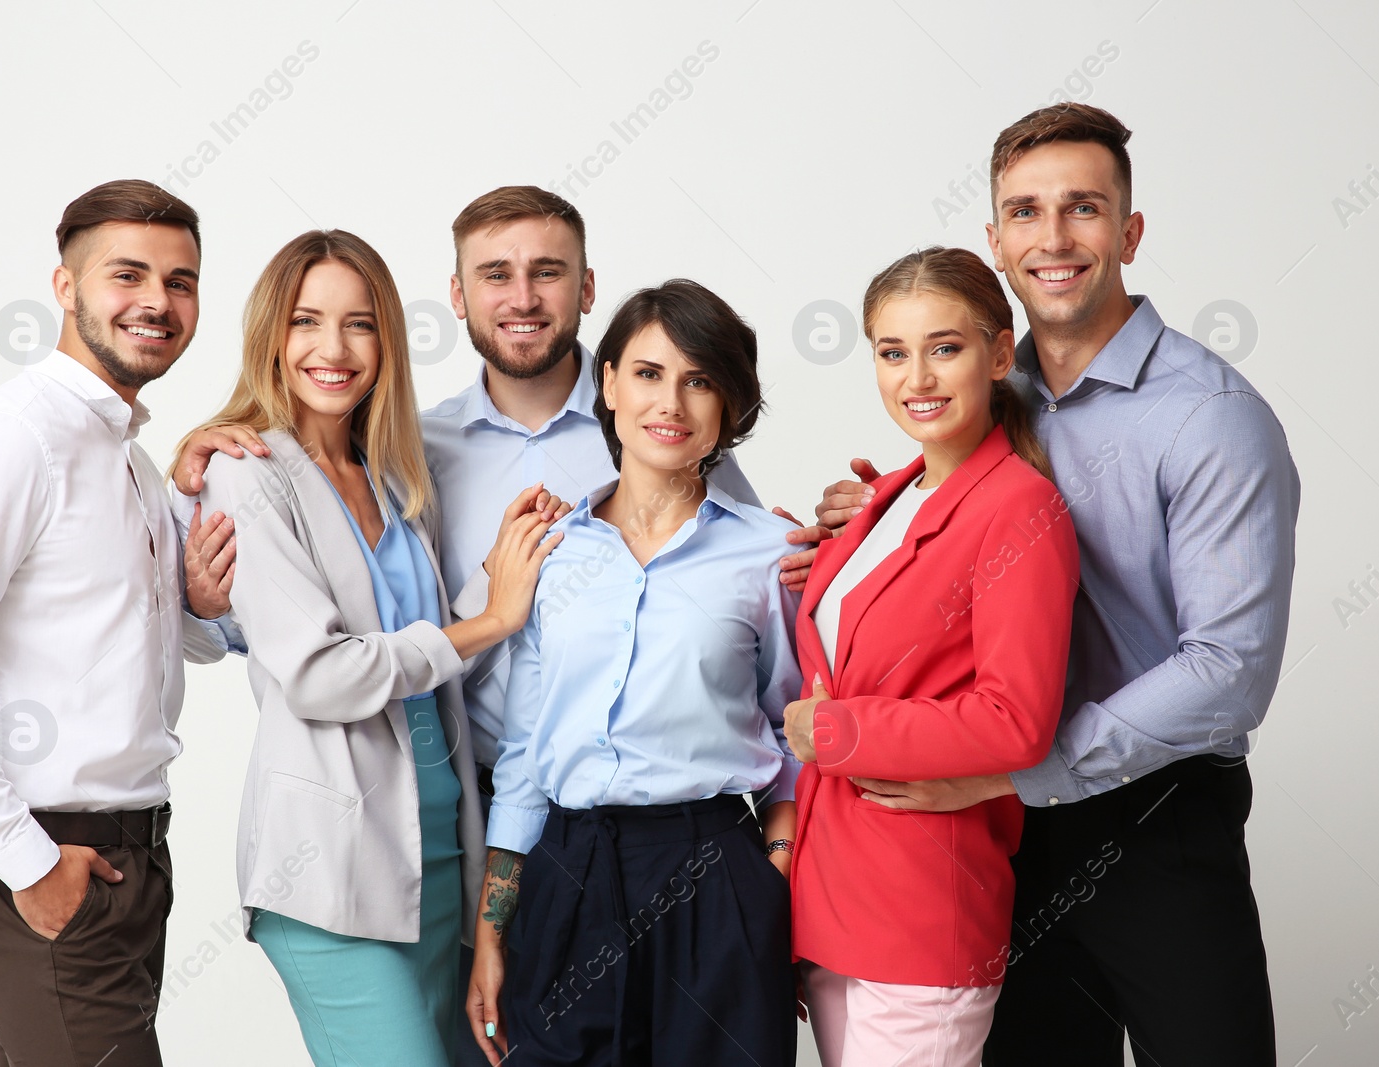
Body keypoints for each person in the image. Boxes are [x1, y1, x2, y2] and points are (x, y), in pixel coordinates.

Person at [170, 187, 815, 1064]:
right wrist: (208, 583)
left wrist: (856, 528)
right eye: (496, 274)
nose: (521, 297)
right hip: (487, 820)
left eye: (547, 272)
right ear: (459, 293)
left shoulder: (659, 428)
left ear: (587, 290)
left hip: (516, 834)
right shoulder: (415, 450)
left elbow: (767, 624)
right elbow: (296, 642)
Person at [804, 104, 1300, 1066]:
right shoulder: (980, 390)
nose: (1054, 237)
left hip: (1154, 816)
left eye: (1083, 208)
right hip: (1000, 829)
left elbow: (1230, 667)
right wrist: (865, 523)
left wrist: (1027, 768)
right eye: (1026, 212)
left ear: (1130, 231)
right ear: (995, 240)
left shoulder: (1210, 418)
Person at [174, 229, 565, 1067]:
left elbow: (413, 642)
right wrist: (488, 619)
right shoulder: (247, 473)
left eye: (360, 324)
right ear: (271, 336)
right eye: (307, 321)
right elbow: (320, 675)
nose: (333, 348)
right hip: (332, 879)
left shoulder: (391, 473)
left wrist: (502, 567)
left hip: (436, 856)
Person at [0, 180, 225, 1066]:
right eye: (127, 274)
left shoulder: (132, 462)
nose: (157, 301)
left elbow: (108, 638)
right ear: (64, 288)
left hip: (137, 858)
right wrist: (27, 862)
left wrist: (197, 605)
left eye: (180, 282)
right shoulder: (10, 442)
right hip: (50, 854)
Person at [468, 280, 802, 1067]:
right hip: (566, 872)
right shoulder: (549, 551)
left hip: (715, 873)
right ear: (608, 383)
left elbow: (800, 734)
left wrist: (776, 879)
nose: (672, 403)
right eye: (650, 373)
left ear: (729, 404)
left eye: (700, 379)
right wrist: (490, 932)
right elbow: (523, 755)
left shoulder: (771, 554)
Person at [781, 247, 1079, 1066]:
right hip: (834, 897)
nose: (918, 376)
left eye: (944, 347)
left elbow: (1016, 722)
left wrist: (836, 731)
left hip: (922, 908)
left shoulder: (1022, 506)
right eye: (892, 352)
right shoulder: (883, 497)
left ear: (1000, 354)